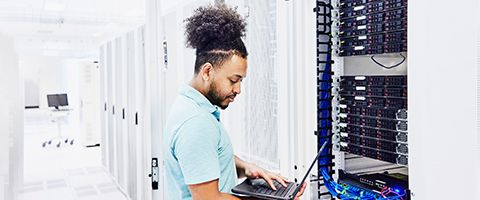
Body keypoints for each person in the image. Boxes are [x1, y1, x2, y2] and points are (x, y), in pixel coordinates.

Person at [163, 3, 306, 200]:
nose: (238, 89)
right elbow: (209, 199)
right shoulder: (196, 123)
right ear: (207, 71)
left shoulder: (191, 106)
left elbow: (208, 158)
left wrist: (247, 168)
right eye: (233, 80)